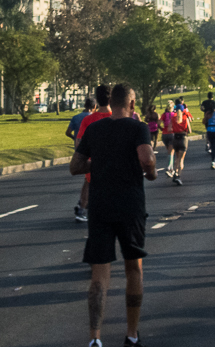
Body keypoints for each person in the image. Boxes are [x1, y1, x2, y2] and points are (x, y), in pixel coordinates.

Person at [71, 83, 157, 347]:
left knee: (99, 274)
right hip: (130, 205)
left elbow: (75, 166)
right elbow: (147, 160)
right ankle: (131, 334)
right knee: (134, 269)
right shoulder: (137, 127)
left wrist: (97, 163)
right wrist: (151, 173)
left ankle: (95, 338)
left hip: (100, 206)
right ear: (131, 104)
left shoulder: (95, 128)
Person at [75, 86, 113, 223]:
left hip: (93, 161)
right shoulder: (117, 118)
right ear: (111, 99)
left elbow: (79, 143)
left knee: (88, 183)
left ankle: (82, 210)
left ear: (96, 100)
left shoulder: (88, 120)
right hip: (115, 162)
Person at [169, 103, 192, 185]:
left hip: (175, 138)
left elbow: (170, 128)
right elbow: (189, 130)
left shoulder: (173, 118)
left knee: (177, 158)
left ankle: (175, 172)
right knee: (181, 159)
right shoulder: (185, 118)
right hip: (183, 138)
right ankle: (178, 175)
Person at [202, 94, 215, 170]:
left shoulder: (208, 114)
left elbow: (204, 121)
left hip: (209, 130)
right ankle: (213, 161)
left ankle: (213, 158)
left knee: (212, 145)